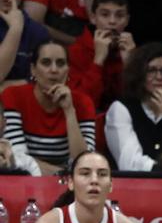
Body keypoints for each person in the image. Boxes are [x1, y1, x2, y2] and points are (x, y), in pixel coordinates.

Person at [1, 39, 94, 172]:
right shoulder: (13, 97)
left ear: (68, 70)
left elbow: (86, 163)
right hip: (27, 181)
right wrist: (60, 176)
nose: (54, 70)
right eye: (46, 63)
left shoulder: (83, 103)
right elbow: (18, 158)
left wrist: (69, 111)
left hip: (70, 185)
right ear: (33, 69)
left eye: (61, 63)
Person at [105, 42, 162, 171]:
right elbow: (129, 164)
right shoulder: (121, 109)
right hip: (133, 185)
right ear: (139, 73)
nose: (159, 77)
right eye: (151, 70)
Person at [31, 150, 138, 223]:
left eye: (102, 174)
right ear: (70, 182)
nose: (94, 180)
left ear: (110, 184)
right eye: (85, 173)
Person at [66, 0, 132, 111]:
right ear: (93, 18)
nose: (112, 21)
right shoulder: (74, 52)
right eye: (105, 14)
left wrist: (130, 64)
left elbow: (138, 104)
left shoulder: (133, 51)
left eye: (119, 15)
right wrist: (98, 62)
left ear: (127, 20)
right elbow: (79, 105)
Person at [0, 0, 49, 89]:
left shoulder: (39, 33)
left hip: (24, 105)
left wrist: (8, 87)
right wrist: (15, 29)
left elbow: (47, 80)